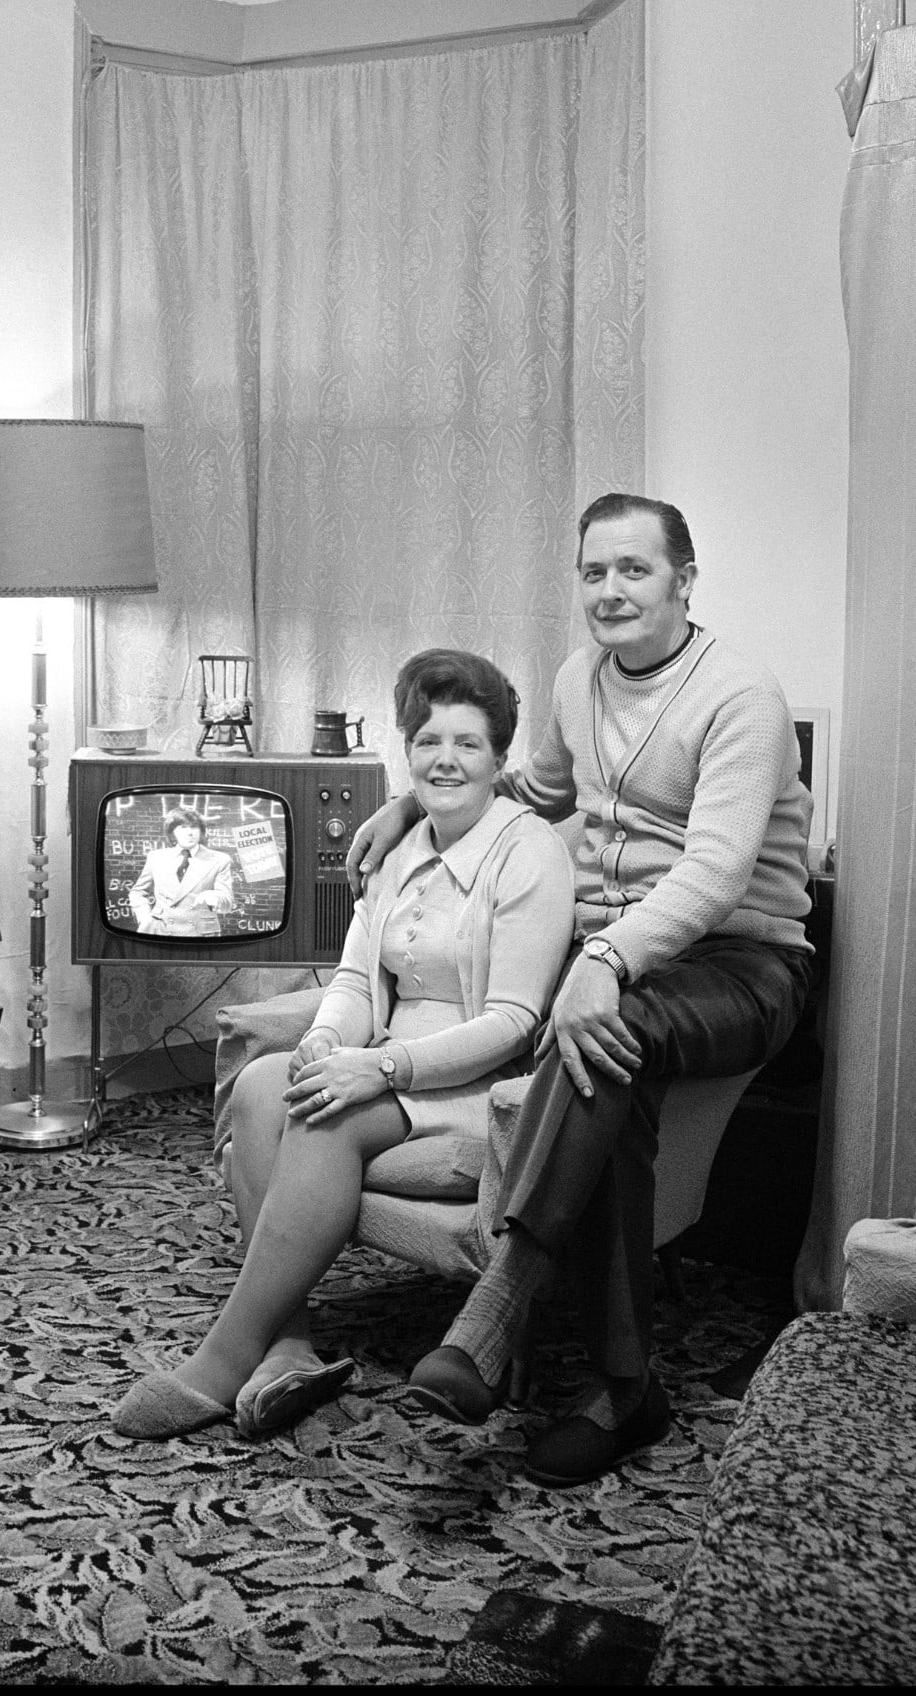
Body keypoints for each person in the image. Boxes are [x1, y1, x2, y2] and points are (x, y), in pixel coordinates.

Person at [348, 493, 813, 1487]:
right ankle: (621, 1383)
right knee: (608, 1061)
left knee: (610, 1020)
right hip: (617, 961)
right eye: (594, 571)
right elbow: (536, 793)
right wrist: (406, 802)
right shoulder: (574, 679)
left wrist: (602, 961)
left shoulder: (739, 696)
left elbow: (717, 870)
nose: (610, 590)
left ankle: (494, 1309)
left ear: (683, 580)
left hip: (741, 960)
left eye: (633, 569)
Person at [113, 649, 576, 1442]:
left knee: (328, 1114)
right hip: (385, 1064)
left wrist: (377, 1067)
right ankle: (289, 1342)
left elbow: (514, 1021)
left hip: (481, 1085)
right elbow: (359, 983)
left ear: (501, 758)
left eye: (468, 743)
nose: (446, 759)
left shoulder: (530, 851)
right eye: (428, 741)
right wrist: (326, 1039)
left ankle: (224, 1359)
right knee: (265, 1085)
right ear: (408, 752)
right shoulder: (397, 847)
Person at [127, 806, 238, 935]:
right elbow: (138, 892)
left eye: (194, 827)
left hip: (199, 933)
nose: (190, 833)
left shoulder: (219, 860)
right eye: (183, 827)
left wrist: (215, 897)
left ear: (201, 831)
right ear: (172, 832)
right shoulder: (156, 858)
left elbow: (228, 903)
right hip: (160, 929)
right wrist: (145, 918)